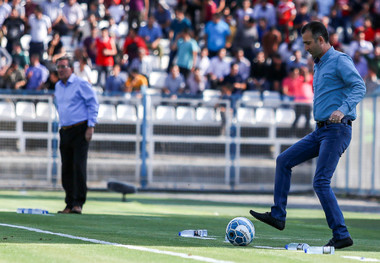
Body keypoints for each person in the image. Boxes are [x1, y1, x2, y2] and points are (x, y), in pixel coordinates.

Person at [249, 21, 366, 250]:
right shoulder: (318, 64)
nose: (305, 47)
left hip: (337, 130)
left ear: (321, 40)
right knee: (284, 160)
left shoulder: (340, 60)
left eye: (308, 42)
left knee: (321, 182)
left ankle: (341, 234)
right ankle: (278, 216)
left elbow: (359, 87)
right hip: (321, 130)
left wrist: (342, 109)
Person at [54, 56, 99, 214]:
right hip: (65, 130)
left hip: (80, 129)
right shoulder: (58, 86)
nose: (60, 70)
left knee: (78, 166)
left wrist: (91, 126)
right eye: (58, 67)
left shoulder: (81, 84)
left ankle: (78, 203)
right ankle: (69, 202)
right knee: (66, 167)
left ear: (71, 69)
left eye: (63, 66)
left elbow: (93, 103)